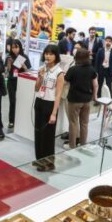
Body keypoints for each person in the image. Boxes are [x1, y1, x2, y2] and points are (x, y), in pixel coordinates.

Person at [33, 44, 64, 172]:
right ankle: (40, 159)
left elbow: (58, 95)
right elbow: (36, 88)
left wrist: (54, 113)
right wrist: (40, 77)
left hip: (50, 105)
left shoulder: (59, 73)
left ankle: (49, 163)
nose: (48, 56)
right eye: (46, 53)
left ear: (56, 56)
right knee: (38, 133)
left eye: (51, 54)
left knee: (48, 136)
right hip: (39, 102)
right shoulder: (42, 69)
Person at [64, 48, 98, 148]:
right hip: (87, 100)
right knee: (84, 123)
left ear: (76, 57)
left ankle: (72, 146)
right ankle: (83, 144)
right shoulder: (91, 69)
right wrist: (95, 96)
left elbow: (65, 82)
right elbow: (95, 85)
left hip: (74, 100)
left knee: (73, 123)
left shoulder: (72, 69)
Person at [5, 39, 30, 129]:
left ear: (20, 47)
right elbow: (7, 72)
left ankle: (21, 120)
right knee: (12, 101)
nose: (15, 49)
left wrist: (23, 65)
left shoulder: (24, 56)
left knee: (21, 101)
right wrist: (9, 64)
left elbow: (28, 71)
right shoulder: (9, 57)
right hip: (11, 81)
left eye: (16, 47)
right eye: (13, 48)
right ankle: (11, 121)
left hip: (22, 81)